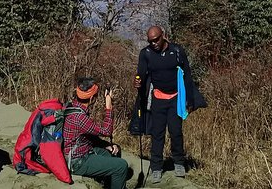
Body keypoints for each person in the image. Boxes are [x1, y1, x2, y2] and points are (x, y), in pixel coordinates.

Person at [133, 25, 206, 184]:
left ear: (163, 36)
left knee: (176, 131)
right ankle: (157, 167)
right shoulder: (146, 54)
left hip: (175, 98)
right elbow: (141, 74)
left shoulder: (177, 51)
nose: (154, 43)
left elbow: (187, 75)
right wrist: (138, 82)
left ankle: (179, 162)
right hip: (158, 98)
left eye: (156, 39)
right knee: (157, 134)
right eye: (150, 41)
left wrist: (190, 100)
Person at [63, 77, 129, 189]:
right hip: (77, 161)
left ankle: (108, 184)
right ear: (92, 98)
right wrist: (109, 107)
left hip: (79, 151)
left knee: (111, 151)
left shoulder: (72, 106)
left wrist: (105, 145)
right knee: (121, 166)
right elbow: (107, 131)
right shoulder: (80, 118)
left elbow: (86, 135)